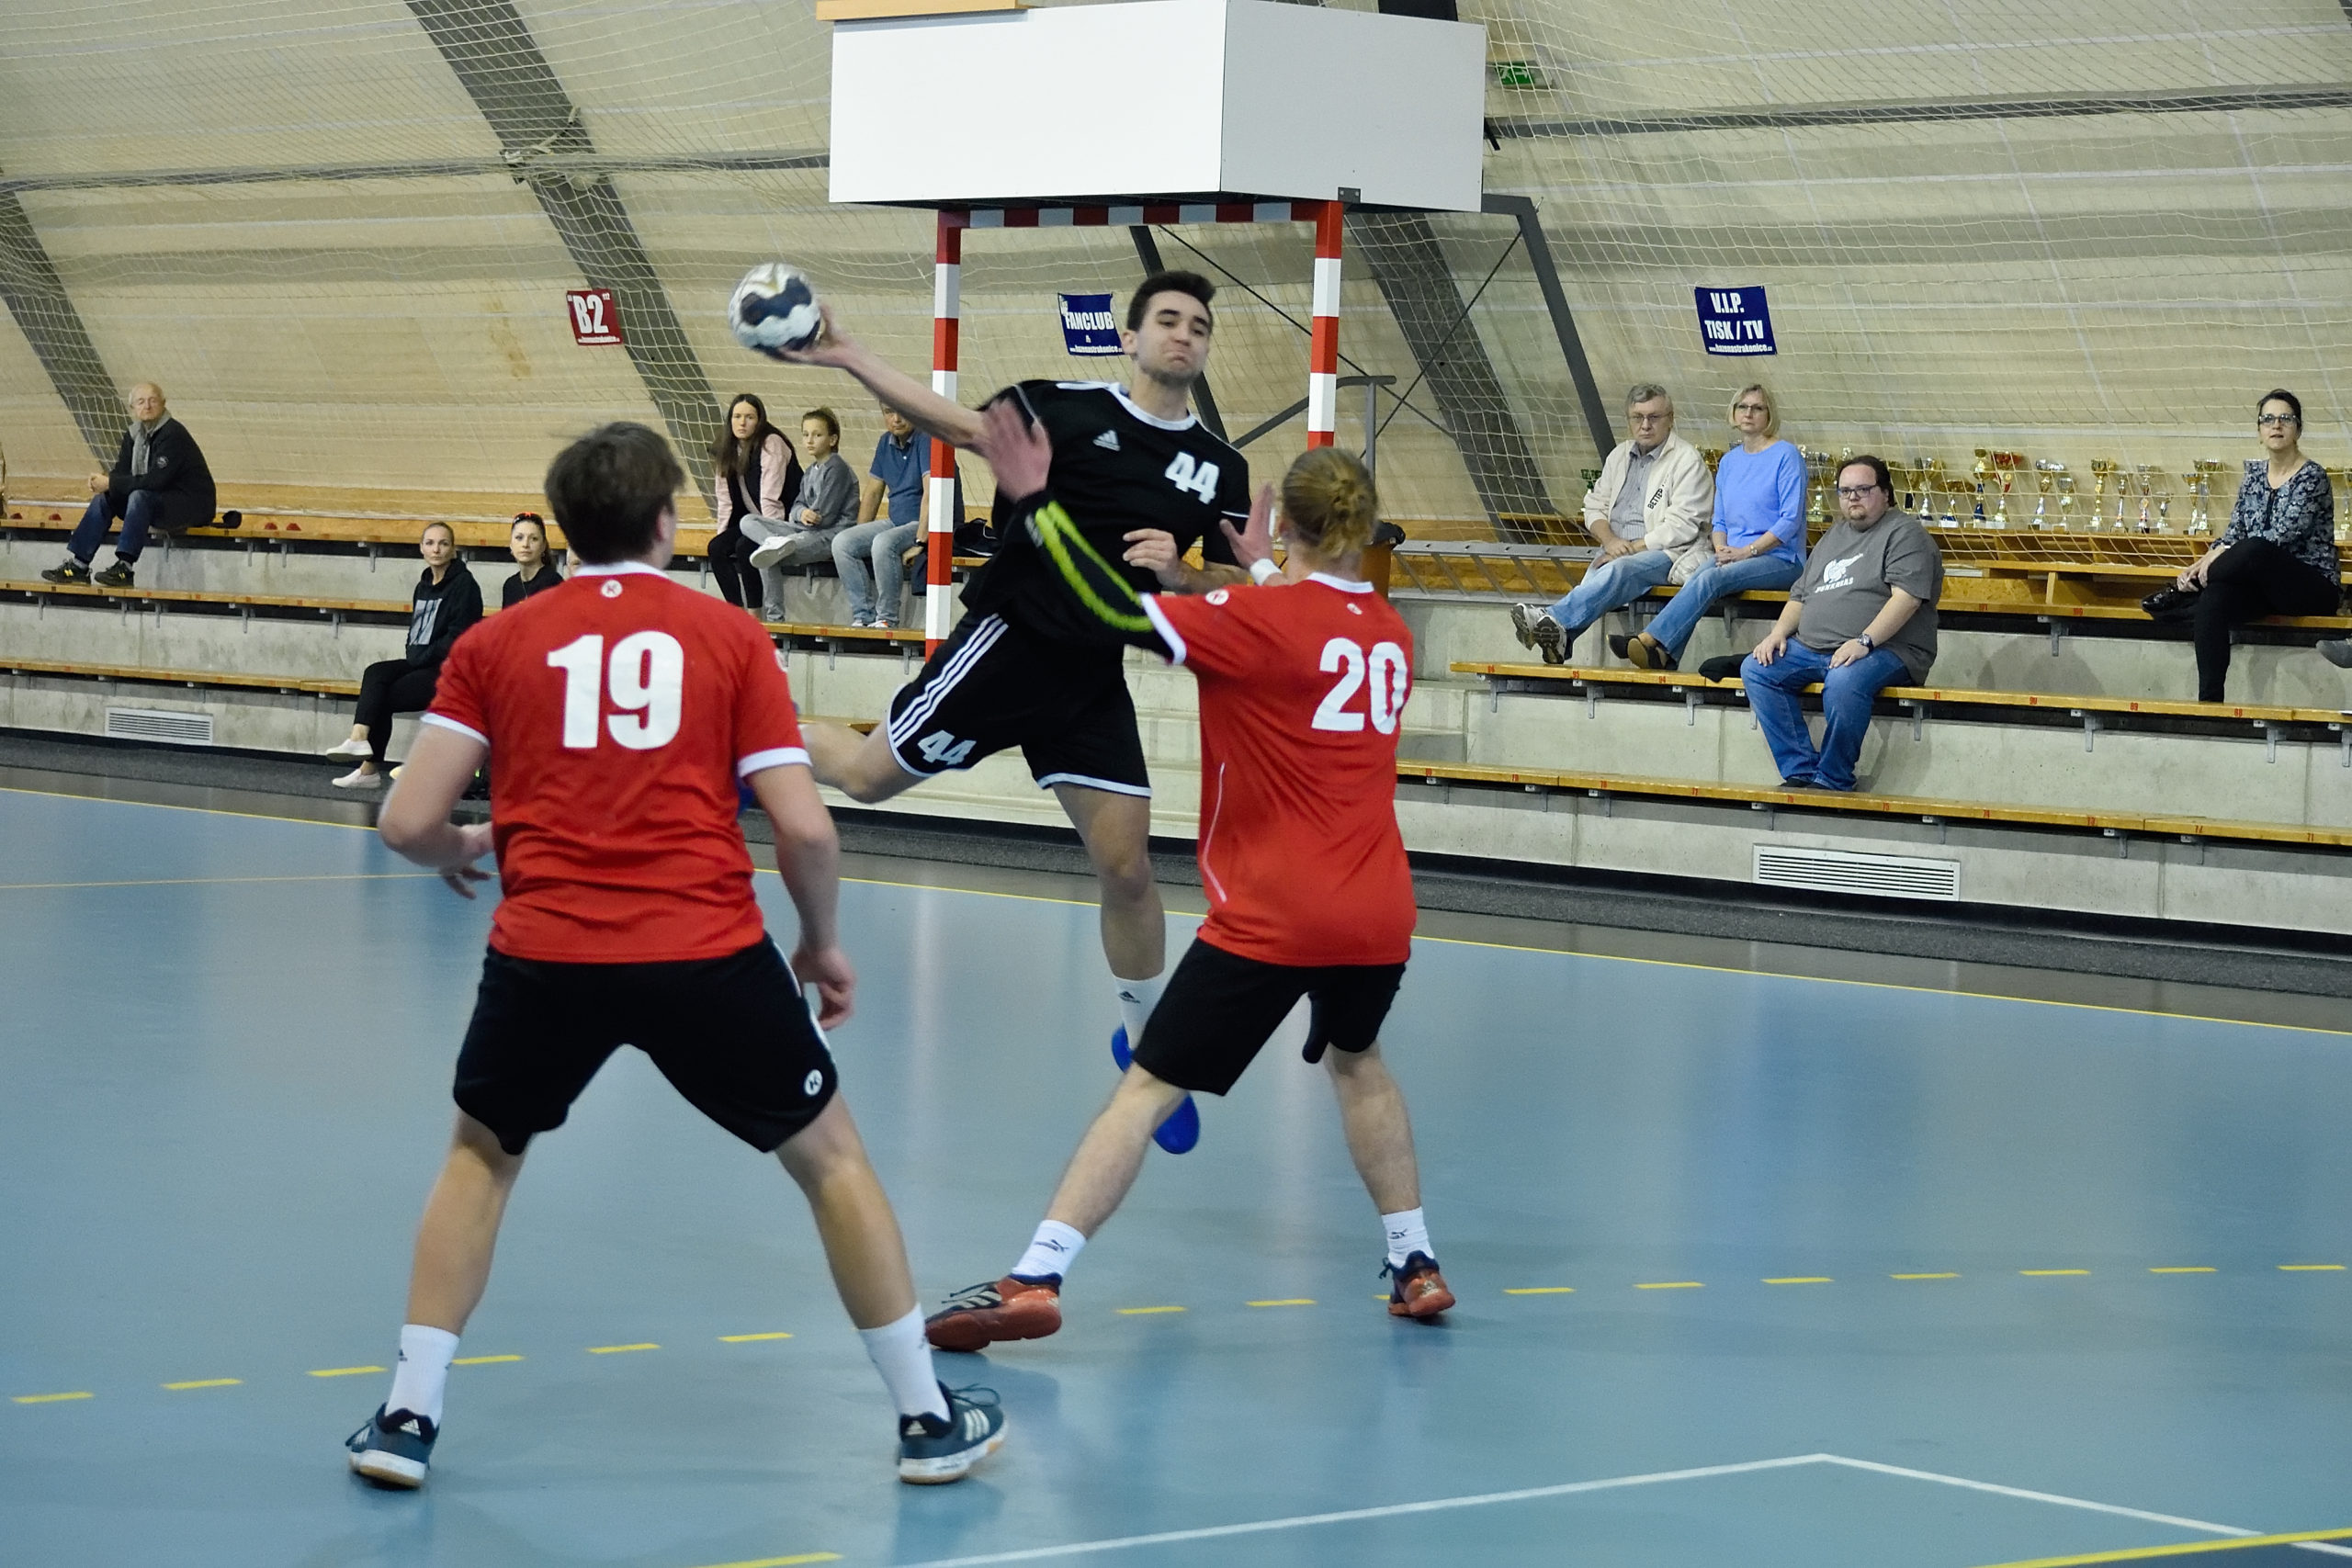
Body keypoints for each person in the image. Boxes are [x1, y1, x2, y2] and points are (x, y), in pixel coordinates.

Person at [342, 422, 1003, 1494]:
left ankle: (408, 1417)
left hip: (547, 955)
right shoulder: (728, 636)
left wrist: (465, 846)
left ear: (565, 528)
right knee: (832, 1163)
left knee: (480, 1159)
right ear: (665, 522)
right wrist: (820, 944)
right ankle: (927, 1419)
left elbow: (406, 820)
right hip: (705, 953)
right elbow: (806, 829)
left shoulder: (497, 643)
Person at [920, 409, 1452, 1354]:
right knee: (1359, 1061)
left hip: (1273, 912)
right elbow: (1307, 616)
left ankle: (1037, 1274)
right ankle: (1415, 1261)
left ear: (1285, 522)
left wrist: (1040, 505)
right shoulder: (1386, 633)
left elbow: (1107, 608)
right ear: (1363, 528)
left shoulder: (1250, 622)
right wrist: (1254, 566)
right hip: (1377, 910)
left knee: (1146, 1089)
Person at [776, 272, 1250, 1155]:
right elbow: (958, 425)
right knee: (868, 778)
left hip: (1089, 676)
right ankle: (752, 736)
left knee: (1129, 870)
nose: (1184, 334)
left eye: (1199, 325)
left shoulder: (1221, 468)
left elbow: (1247, 579)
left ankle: (1148, 1048)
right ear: (1132, 337)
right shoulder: (1060, 407)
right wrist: (847, 355)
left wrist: (1188, 574)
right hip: (1006, 646)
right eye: (1168, 320)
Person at [1740, 456, 1941, 792]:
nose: (1853, 497)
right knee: (1757, 668)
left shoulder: (1906, 534)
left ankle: (1833, 778)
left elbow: (1906, 599)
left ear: (1886, 493)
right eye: (1845, 491)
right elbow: (1800, 596)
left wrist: (1864, 641)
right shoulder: (1834, 535)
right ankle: (1801, 770)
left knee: (1845, 679)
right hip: (1814, 648)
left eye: (1863, 489)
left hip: (1889, 649)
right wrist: (1777, 633)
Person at [2154, 390, 2340, 704]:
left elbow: (2282, 534)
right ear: (2259, 431)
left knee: (2257, 548)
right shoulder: (2253, 477)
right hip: (2262, 586)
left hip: (2310, 587)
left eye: (2285, 419)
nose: (2276, 425)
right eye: (2268, 419)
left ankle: (2185, 593)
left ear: (2298, 429)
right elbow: (2234, 532)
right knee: (2215, 597)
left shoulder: (2312, 476)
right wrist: (2210, 554)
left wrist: (2219, 556)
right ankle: (2210, 704)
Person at [1508, 383, 1712, 665]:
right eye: (1637, 417)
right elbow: (1594, 507)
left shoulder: (1687, 460)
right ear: (1628, 420)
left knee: (1619, 569)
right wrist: (1611, 541)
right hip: (1615, 550)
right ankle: (1560, 641)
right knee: (1609, 570)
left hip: (1669, 553)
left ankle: (1551, 617)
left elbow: (1682, 526)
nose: (1645, 425)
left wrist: (1631, 549)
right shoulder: (1619, 455)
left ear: (1671, 419)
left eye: (1654, 417)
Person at [1613, 384, 1805, 671]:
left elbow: (1789, 521)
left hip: (1780, 559)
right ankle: (1662, 655)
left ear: (1769, 415)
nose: (1749, 413)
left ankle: (1648, 639)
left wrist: (1746, 551)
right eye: (1743, 407)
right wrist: (1721, 548)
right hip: (1733, 555)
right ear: (1733, 413)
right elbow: (1720, 521)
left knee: (1711, 579)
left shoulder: (1786, 456)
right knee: (1698, 575)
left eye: (1757, 408)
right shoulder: (1729, 462)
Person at [322, 523, 482, 789]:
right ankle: (358, 737)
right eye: (430, 543)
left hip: (449, 670)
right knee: (376, 672)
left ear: (453, 549)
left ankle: (369, 769)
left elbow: (458, 638)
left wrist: (421, 657)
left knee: (381, 697)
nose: (436, 549)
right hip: (421, 661)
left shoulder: (465, 585)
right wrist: (413, 653)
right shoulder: (423, 585)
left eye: (443, 543)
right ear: (421, 548)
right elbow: (415, 630)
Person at [40, 382, 216, 591]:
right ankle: (79, 565)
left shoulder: (173, 434)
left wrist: (111, 483)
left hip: (191, 505)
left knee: (139, 496)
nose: (147, 406)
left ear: (163, 404)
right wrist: (103, 482)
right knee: (105, 499)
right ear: (133, 408)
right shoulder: (134, 435)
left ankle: (124, 567)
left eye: (152, 401)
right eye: (141, 402)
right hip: (157, 503)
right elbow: (122, 474)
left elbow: (156, 481)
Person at [745, 407, 860, 618]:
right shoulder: (810, 471)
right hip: (803, 530)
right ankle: (773, 541)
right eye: (806, 435)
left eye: (817, 435)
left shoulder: (837, 467)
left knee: (765, 556)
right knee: (748, 521)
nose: (810, 440)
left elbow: (824, 517)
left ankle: (775, 618)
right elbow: (797, 506)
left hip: (828, 535)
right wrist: (800, 514)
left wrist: (805, 514)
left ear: (832, 439)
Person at [832, 405, 934, 629]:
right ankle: (863, 615)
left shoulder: (927, 439)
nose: (896, 418)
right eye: (889, 412)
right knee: (843, 542)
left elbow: (932, 492)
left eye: (902, 411)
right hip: (895, 522)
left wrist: (920, 542)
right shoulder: (884, 442)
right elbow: (873, 492)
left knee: (883, 543)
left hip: (920, 522)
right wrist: (858, 534)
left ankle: (888, 617)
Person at [707, 393, 800, 616]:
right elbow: (724, 499)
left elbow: (770, 497)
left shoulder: (771, 443)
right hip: (750, 520)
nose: (742, 423)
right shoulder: (726, 448)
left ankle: (754, 615)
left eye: (749, 417)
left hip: (781, 520)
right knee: (716, 548)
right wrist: (723, 534)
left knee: (745, 546)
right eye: (737, 417)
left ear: (759, 421)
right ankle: (735, 613)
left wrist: (769, 534)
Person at [501, 513, 563, 608]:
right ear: (511, 544)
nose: (525, 544)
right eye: (519, 538)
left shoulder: (552, 582)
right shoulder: (510, 585)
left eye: (534, 539)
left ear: (543, 545)